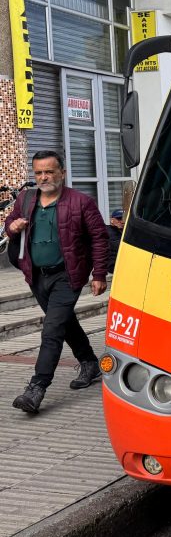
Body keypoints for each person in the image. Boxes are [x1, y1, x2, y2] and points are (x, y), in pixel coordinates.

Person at [5, 151, 110, 414]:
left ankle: (36, 388)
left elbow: (99, 237)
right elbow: (9, 224)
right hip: (36, 276)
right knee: (64, 322)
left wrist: (99, 275)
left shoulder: (81, 202)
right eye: (39, 172)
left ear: (62, 172)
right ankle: (89, 362)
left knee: (51, 330)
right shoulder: (26, 199)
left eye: (49, 171)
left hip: (68, 275)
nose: (43, 177)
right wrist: (13, 226)